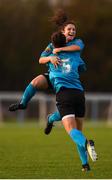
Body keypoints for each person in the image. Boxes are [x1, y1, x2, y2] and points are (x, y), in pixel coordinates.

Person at [39, 29, 97, 171]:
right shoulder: (76, 54)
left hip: (64, 93)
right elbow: (83, 67)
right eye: (69, 29)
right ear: (64, 35)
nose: (72, 31)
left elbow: (41, 59)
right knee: (78, 129)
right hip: (79, 93)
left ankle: (87, 143)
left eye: (73, 29)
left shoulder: (53, 54)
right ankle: (85, 165)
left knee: (72, 131)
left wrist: (51, 57)